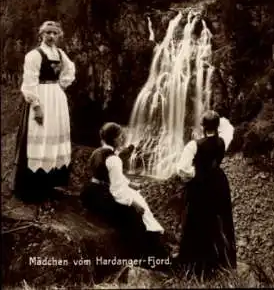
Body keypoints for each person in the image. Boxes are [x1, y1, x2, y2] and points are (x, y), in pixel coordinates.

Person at [80, 122, 169, 260]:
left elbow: (111, 176)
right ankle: (145, 255)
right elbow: (117, 192)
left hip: (90, 192)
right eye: (121, 137)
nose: (123, 139)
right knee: (136, 216)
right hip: (102, 198)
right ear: (114, 139)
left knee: (135, 201)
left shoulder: (97, 152)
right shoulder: (114, 159)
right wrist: (133, 204)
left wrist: (130, 184)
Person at [12, 20, 76, 203]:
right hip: (40, 98)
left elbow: (69, 71)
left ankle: (50, 185)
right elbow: (29, 82)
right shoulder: (34, 55)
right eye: (48, 32)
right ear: (41, 34)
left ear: (59, 35)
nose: (51, 36)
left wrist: (59, 87)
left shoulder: (61, 54)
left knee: (54, 136)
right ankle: (31, 188)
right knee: (38, 136)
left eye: (55, 33)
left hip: (55, 98)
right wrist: (37, 106)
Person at [176, 110, 237, 278]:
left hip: (201, 184)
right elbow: (228, 127)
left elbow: (182, 169)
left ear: (202, 127)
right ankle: (219, 262)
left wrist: (195, 173)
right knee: (219, 219)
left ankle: (196, 265)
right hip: (219, 183)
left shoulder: (194, 145)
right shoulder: (224, 141)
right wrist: (217, 120)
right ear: (217, 126)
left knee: (197, 219)